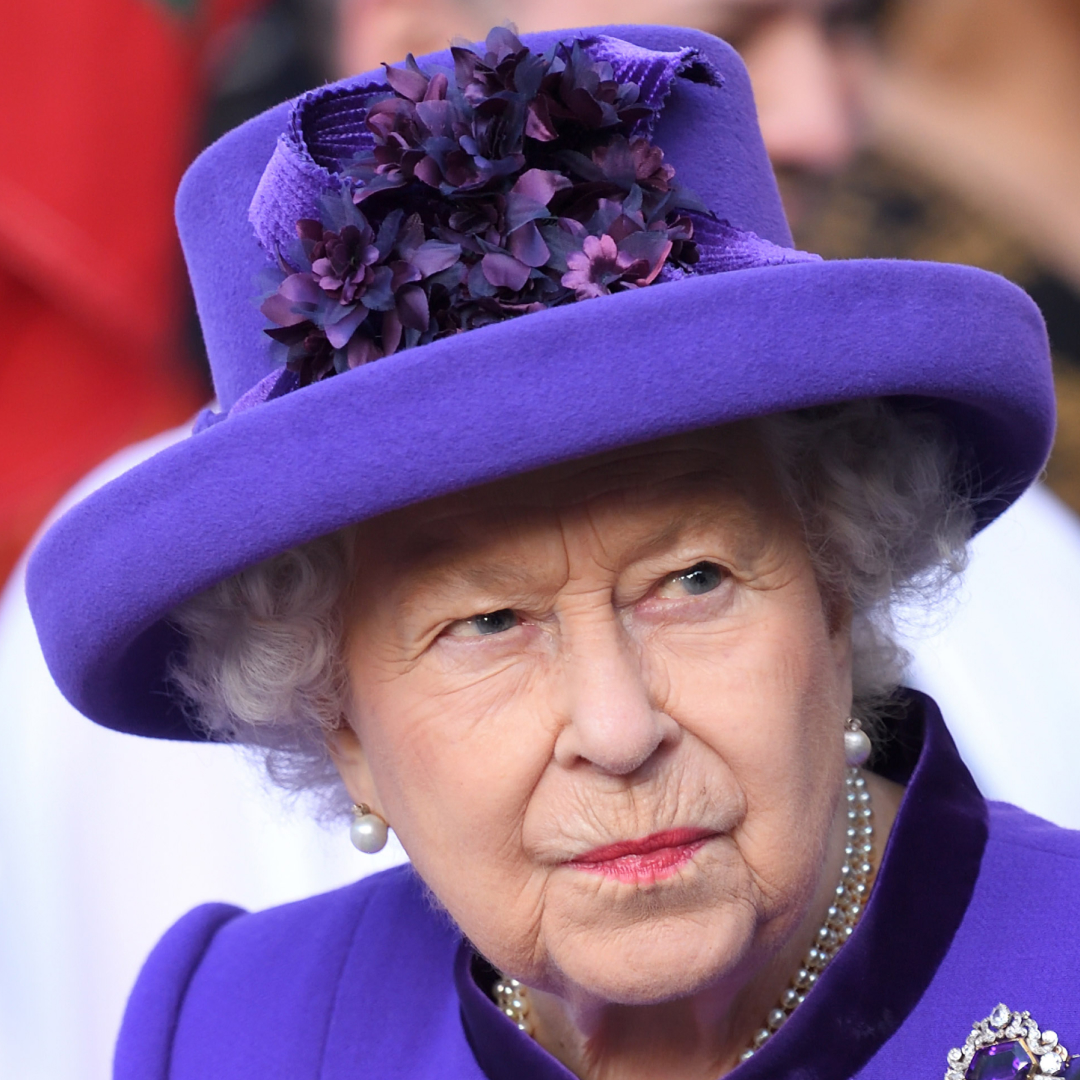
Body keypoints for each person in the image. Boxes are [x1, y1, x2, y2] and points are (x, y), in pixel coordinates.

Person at [25, 23, 1075, 1080]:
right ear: (338, 721)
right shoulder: (234, 1032)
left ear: (837, 595)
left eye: (693, 579)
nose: (618, 732)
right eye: (486, 623)